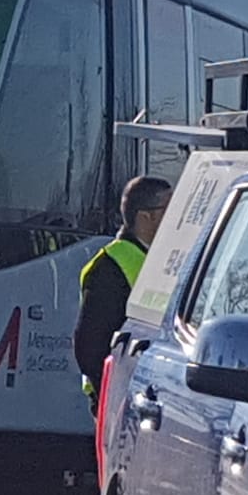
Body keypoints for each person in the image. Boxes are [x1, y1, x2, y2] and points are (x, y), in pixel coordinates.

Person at [73, 175, 172, 413]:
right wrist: (112, 401)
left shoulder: (158, 258)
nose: (177, 217)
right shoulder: (109, 266)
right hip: (118, 402)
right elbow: (89, 347)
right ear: (145, 217)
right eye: (169, 209)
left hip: (148, 398)